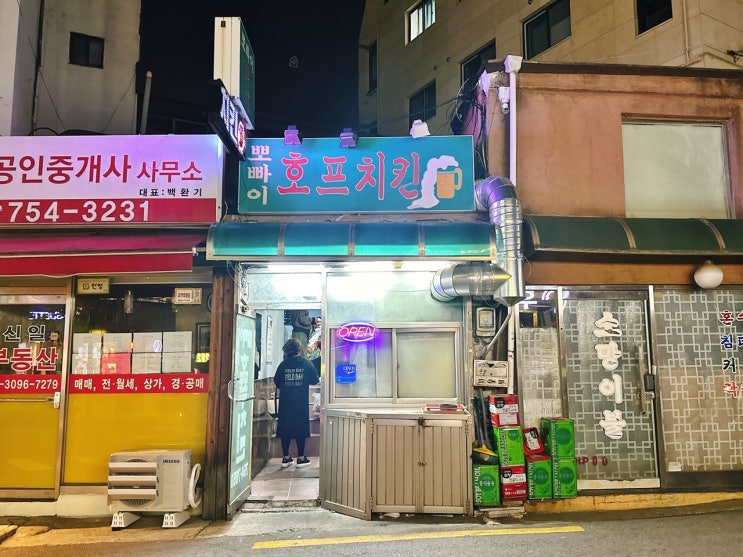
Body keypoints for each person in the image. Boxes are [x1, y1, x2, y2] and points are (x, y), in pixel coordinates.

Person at [273, 338, 319, 468]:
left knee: (285, 429)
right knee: (300, 428)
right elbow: (315, 379)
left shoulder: (283, 365)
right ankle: (301, 457)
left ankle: (286, 457)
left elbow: (277, 382)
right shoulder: (306, 363)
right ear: (299, 349)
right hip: (300, 403)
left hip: (286, 403)